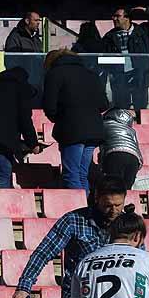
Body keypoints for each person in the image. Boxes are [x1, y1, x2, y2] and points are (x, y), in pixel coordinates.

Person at [12, 175, 129, 298]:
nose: (113, 210)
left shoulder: (129, 225)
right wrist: (24, 287)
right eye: (108, 205)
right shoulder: (72, 220)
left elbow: (139, 259)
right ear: (97, 198)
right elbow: (42, 254)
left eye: (118, 205)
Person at [43, 49, 107, 191]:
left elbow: (49, 105)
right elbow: (104, 104)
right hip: (94, 130)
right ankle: (86, 208)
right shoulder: (92, 75)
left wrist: (59, 118)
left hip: (71, 130)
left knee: (71, 174)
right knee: (82, 174)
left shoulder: (54, 74)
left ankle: (79, 210)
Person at [102, 7, 149, 109]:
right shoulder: (109, 37)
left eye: (117, 16)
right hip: (120, 77)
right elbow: (105, 59)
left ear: (127, 18)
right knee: (122, 107)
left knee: (141, 107)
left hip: (140, 76)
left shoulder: (145, 31)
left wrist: (146, 10)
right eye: (113, 16)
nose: (114, 18)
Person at [100, 109, 143, 190]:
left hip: (115, 154)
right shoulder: (131, 130)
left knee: (113, 187)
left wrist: (102, 163)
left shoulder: (105, 125)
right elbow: (136, 147)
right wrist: (139, 164)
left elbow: (102, 147)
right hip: (134, 158)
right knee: (127, 189)